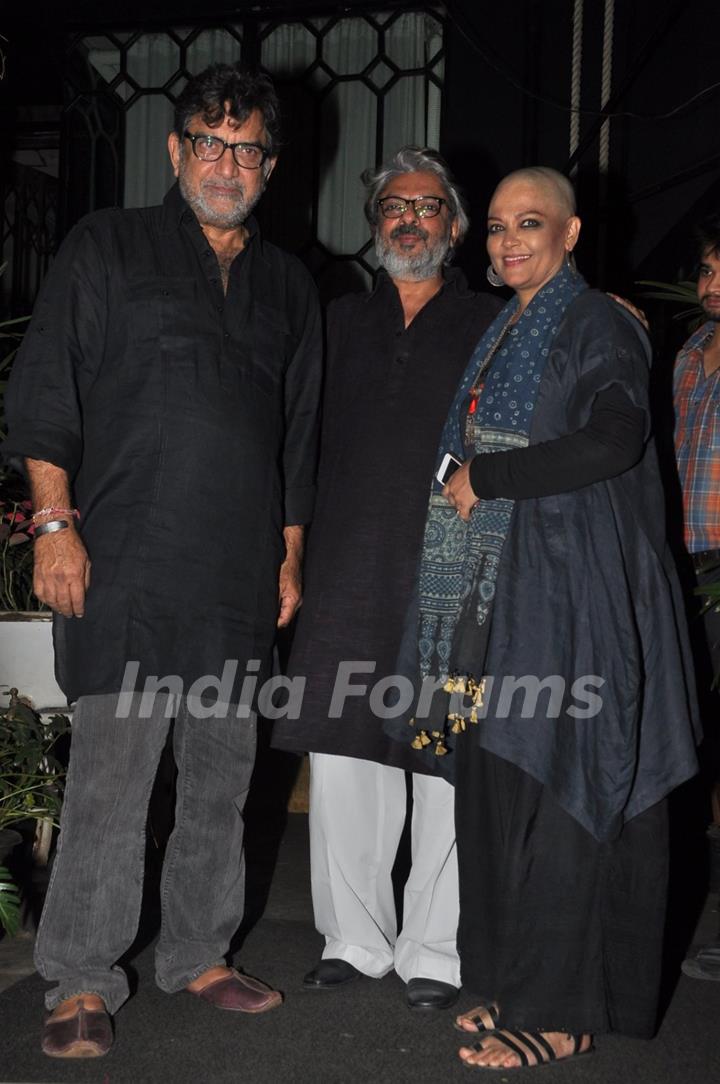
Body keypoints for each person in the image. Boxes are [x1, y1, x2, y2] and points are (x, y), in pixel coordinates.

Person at [3, 63, 322, 1057]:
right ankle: (82, 977)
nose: (229, 162)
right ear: (177, 150)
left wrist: (289, 559)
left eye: (248, 147)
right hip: (130, 565)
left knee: (223, 783)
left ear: (270, 165)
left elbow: (298, 434)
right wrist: (55, 524)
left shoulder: (289, 286)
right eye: (211, 142)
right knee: (114, 779)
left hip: (234, 576)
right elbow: (46, 380)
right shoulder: (110, 246)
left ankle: (198, 952)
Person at [393, 167, 700, 1068]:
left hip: (575, 596)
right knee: (501, 787)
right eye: (494, 226)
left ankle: (562, 1012)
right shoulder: (510, 324)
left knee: (570, 791)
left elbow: (615, 436)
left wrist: (489, 477)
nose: (508, 240)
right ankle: (512, 981)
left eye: (531, 223)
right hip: (502, 592)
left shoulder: (596, 320)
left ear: (570, 235)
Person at [271, 148, 501, 1009]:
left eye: (429, 207)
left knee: (439, 759)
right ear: (375, 228)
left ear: (455, 228)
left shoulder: (491, 322)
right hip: (345, 566)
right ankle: (355, 939)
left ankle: (435, 949)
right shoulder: (336, 324)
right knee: (341, 754)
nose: (411, 220)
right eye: (395, 207)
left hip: (452, 570)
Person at [673, 213, 720, 982]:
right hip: (686, 564)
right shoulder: (689, 353)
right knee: (697, 745)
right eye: (708, 269)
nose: (711, 286)